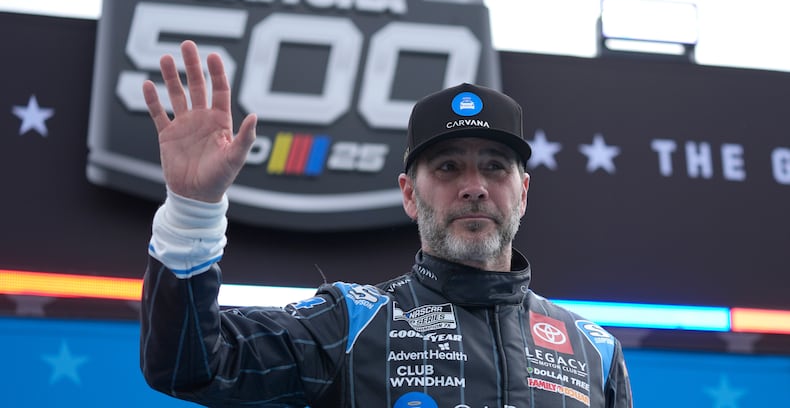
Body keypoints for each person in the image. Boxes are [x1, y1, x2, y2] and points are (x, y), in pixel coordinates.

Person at [140, 40, 633, 408]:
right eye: (447, 168)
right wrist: (193, 207)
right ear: (409, 195)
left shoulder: (595, 350)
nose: (474, 186)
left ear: (522, 192)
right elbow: (190, 365)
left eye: (494, 167)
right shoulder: (351, 323)